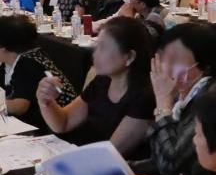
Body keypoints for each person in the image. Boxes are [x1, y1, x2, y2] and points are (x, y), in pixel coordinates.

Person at [36, 17, 155, 156]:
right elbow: (64, 123)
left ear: (129, 57)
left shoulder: (144, 97)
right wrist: (46, 101)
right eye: (97, 46)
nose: (95, 54)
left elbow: (109, 154)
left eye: (103, 48)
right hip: (89, 157)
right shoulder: (102, 81)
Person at [140, 23, 216, 175]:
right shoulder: (181, 96)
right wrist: (123, 167)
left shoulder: (210, 101)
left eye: (175, 60)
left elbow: (171, 165)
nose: (166, 67)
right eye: (164, 58)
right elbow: (159, 158)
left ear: (205, 66)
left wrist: (163, 104)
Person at [0, 15, 77, 131]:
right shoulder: (11, 60)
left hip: (53, 125)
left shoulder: (28, 64)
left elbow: (20, 106)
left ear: (3, 48)